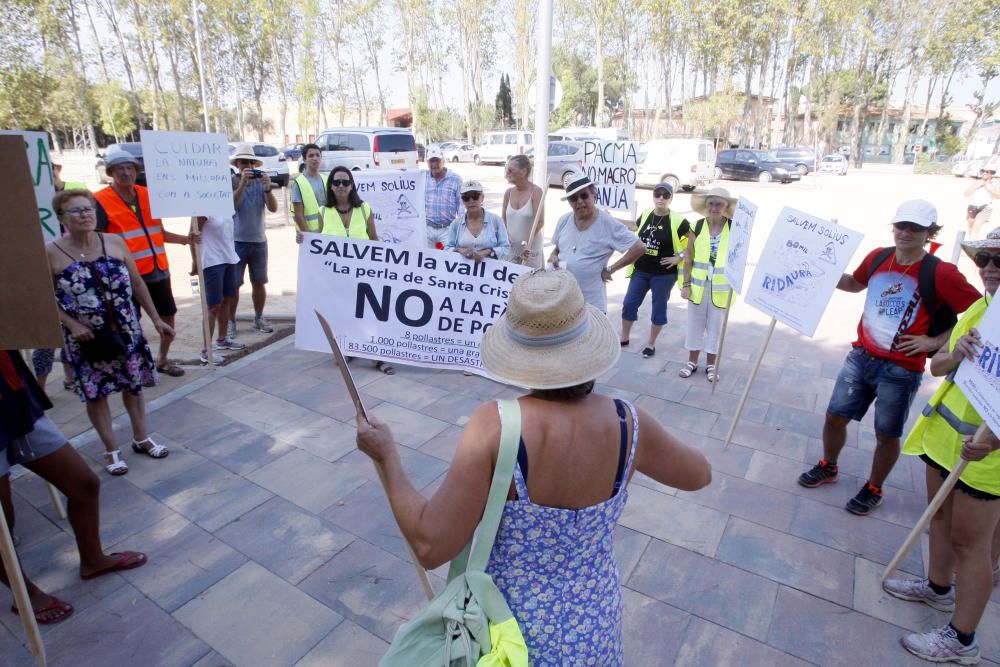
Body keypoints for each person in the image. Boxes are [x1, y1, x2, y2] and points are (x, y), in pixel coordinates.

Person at [355, 269, 712, 664]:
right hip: (595, 626)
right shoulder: (630, 422)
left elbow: (430, 545)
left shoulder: (496, 426)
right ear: (587, 347)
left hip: (509, 635)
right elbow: (699, 475)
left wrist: (387, 457)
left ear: (519, 354)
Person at [797, 199, 981, 516]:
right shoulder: (879, 256)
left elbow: (978, 312)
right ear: (893, 227)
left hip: (902, 369)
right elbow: (855, 284)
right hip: (861, 357)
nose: (906, 233)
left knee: (886, 434)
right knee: (834, 416)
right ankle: (828, 465)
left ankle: (873, 488)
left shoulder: (941, 272)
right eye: (901, 226)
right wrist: (822, 271)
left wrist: (934, 341)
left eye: (915, 228)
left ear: (930, 234)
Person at [882, 226, 1000, 665]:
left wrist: (992, 445)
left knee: (973, 546)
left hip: (985, 456)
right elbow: (937, 364)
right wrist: (960, 351)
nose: (989, 268)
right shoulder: (976, 309)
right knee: (939, 521)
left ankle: (962, 640)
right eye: (983, 258)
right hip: (943, 439)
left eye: (999, 260)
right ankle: (936, 588)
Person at [1, 350, 147, 625]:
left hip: (12, 394)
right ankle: (24, 593)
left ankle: (93, 559)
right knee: (2, 520)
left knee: (84, 484)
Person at [46, 189, 173, 475]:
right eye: (76, 210)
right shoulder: (51, 252)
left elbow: (138, 284)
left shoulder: (114, 242)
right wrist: (71, 324)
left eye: (88, 208)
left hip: (126, 331)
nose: (85, 214)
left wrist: (156, 319)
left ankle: (141, 438)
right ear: (62, 218)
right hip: (85, 339)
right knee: (96, 394)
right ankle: (111, 450)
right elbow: (43, 298)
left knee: (133, 386)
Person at [94, 145, 195, 378]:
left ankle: (163, 359)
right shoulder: (100, 200)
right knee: (132, 323)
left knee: (168, 315)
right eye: (120, 168)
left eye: (130, 167)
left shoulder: (148, 194)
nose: (126, 172)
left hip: (158, 270)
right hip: (125, 276)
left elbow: (159, 232)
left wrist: (185, 240)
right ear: (110, 172)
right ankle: (139, 366)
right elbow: (97, 240)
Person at [317, 167, 393, 375]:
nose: (341, 186)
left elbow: (373, 238)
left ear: (352, 185)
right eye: (336, 182)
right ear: (330, 186)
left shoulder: (364, 209)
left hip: (364, 274)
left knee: (371, 314)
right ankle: (349, 349)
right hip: (337, 276)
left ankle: (378, 357)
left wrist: (382, 267)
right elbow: (318, 244)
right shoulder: (323, 211)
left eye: (345, 182)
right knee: (343, 312)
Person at [549, 170, 645, 313]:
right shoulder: (564, 220)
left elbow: (639, 247)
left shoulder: (608, 223)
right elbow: (558, 247)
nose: (579, 201)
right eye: (573, 198)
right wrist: (553, 255)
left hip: (591, 304)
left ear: (594, 195)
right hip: (564, 301)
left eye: (584, 195)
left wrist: (611, 269)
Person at [621, 182, 690, 358]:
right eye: (658, 194)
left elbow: (694, 240)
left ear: (671, 198)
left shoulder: (678, 220)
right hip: (641, 269)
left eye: (665, 195)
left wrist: (680, 257)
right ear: (653, 195)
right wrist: (611, 219)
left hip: (664, 274)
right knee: (629, 303)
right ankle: (624, 337)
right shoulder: (646, 213)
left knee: (658, 308)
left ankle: (651, 344)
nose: (661, 198)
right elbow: (635, 226)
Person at [679, 187, 735, 382]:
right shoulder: (697, 226)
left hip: (721, 289)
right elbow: (688, 258)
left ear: (726, 206)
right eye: (711, 203)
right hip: (698, 286)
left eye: (719, 204)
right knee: (695, 325)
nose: (714, 207)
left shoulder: (734, 228)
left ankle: (712, 365)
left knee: (715, 327)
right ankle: (692, 362)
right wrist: (685, 286)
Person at [230, 144, 278, 336]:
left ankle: (259, 317)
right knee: (234, 284)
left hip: (259, 240)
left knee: (259, 282)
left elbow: (273, 208)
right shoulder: (231, 182)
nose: (247, 166)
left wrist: (267, 189)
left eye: (250, 162)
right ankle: (231, 321)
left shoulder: (260, 183)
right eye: (243, 162)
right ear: (237, 164)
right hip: (237, 241)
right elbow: (231, 207)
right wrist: (242, 184)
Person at [193, 214, 245, 364]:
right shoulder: (203, 206)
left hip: (229, 257)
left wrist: (241, 188)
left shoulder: (225, 202)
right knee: (213, 306)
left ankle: (222, 339)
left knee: (227, 299)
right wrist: (194, 260)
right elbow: (193, 234)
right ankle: (206, 350)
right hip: (211, 260)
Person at [444, 179, 511, 262]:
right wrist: (459, 250)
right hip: (463, 271)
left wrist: (489, 252)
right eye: (466, 198)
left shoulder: (496, 221)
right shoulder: (456, 224)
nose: (471, 201)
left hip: (491, 272)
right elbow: (447, 248)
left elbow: (506, 248)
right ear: (462, 200)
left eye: (475, 196)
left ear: (482, 198)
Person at [501, 155, 544, 267]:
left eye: (510, 170)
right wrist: (505, 236)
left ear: (523, 171)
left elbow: (539, 222)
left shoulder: (536, 192)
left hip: (529, 249)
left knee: (531, 282)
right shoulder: (508, 193)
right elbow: (503, 220)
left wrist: (526, 242)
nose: (506, 174)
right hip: (511, 249)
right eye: (506, 170)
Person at [424, 146, 463, 248]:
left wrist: (461, 227)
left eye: (437, 161)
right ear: (427, 163)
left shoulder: (455, 179)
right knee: (427, 260)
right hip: (427, 229)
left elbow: (461, 205)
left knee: (449, 259)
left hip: (447, 229)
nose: (434, 164)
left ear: (443, 161)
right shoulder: (423, 178)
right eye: (431, 161)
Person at [291, 143, 327, 236]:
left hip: (328, 233)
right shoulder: (299, 183)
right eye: (311, 155)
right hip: (310, 235)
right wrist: (310, 238)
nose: (315, 158)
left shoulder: (326, 179)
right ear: (304, 160)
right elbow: (298, 215)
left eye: (318, 155)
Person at [965, 166, 999, 241]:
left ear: (991, 174)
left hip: (986, 207)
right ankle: (971, 246)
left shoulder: (994, 182)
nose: (984, 173)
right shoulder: (977, 181)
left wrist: (988, 188)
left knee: (975, 228)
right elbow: (966, 194)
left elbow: (998, 196)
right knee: (971, 228)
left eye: (987, 172)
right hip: (972, 206)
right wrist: (976, 186)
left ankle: (972, 247)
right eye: (982, 171)